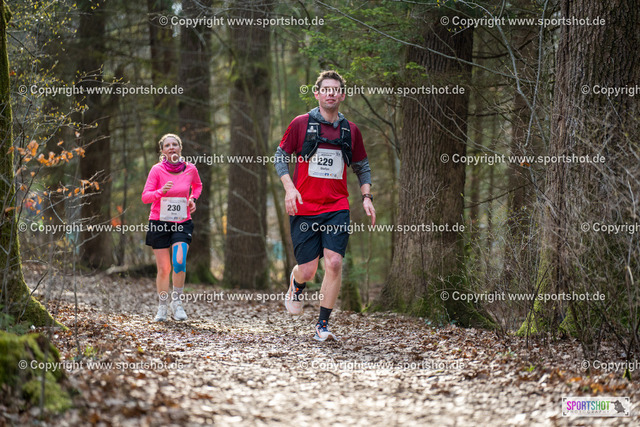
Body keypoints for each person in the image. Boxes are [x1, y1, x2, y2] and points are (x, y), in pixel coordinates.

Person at [274, 70, 375, 341]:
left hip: (337, 206)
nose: (331, 93)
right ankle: (296, 283)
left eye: (336, 89)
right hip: (304, 206)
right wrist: (289, 188)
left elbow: (362, 165)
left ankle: (323, 325)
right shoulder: (301, 124)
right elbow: (280, 156)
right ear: (317, 94)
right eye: (326, 89)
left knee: (334, 262)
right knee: (308, 270)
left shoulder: (350, 130)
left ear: (342, 95)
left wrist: (367, 197)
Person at [142, 134, 202, 322]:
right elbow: (145, 197)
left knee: (179, 262)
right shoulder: (156, 170)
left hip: (182, 222)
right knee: (164, 268)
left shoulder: (190, 169)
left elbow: (198, 186)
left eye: (174, 144)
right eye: (167, 145)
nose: (171, 147)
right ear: (162, 150)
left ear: (180, 148)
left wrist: (192, 199)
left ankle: (177, 303)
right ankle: (162, 306)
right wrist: (161, 192)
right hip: (159, 222)